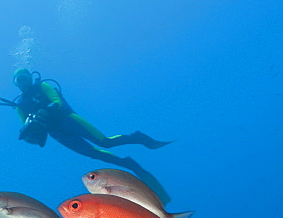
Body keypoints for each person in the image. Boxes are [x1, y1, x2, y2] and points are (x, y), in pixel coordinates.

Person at [12, 68, 171, 203]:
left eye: (24, 78)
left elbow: (57, 101)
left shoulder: (43, 86)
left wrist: (46, 110)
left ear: (31, 78)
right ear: (16, 84)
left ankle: (137, 137)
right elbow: (25, 126)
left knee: (105, 143)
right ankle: (129, 164)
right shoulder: (20, 104)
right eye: (19, 81)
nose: (23, 83)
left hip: (70, 120)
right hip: (58, 134)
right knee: (93, 154)